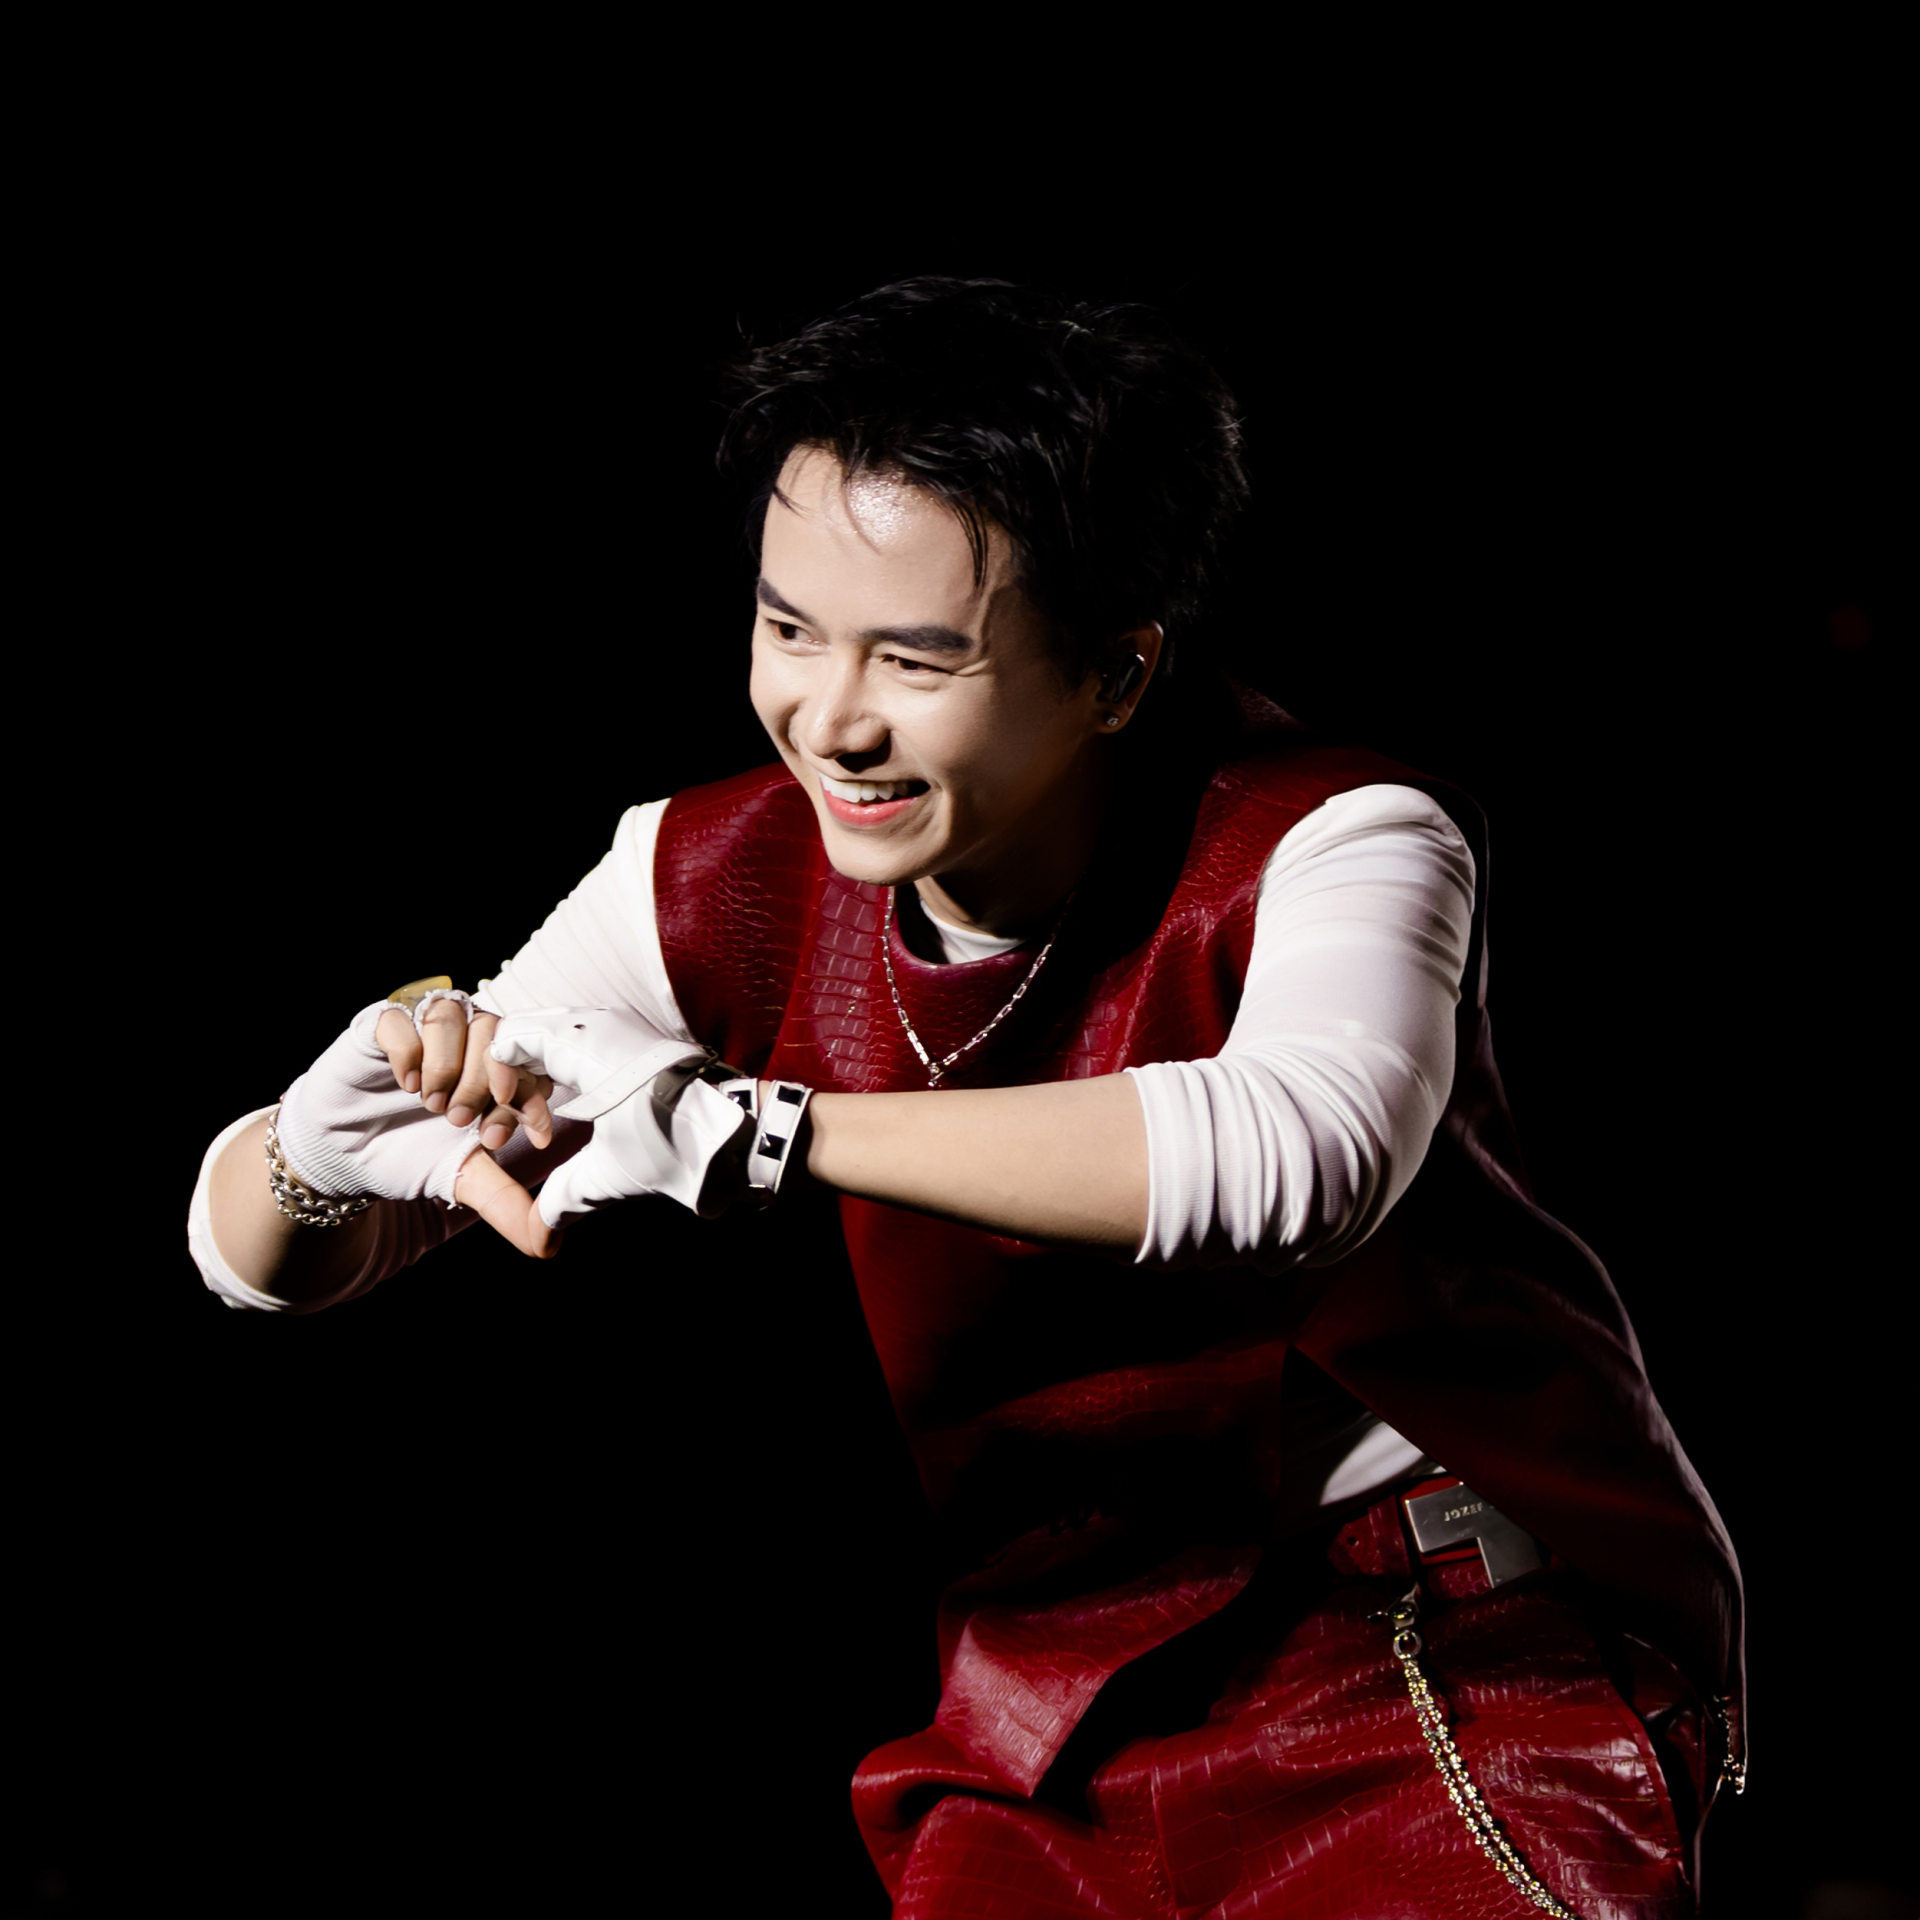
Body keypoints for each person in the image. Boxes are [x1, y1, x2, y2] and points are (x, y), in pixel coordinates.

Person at [187, 278, 1744, 1917]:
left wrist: (752, 1134)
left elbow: (1307, 1153)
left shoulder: (1344, 836)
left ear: (1117, 672)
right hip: (1054, 1687)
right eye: (789, 631)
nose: (831, 720)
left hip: (1425, 1652)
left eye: (916, 658)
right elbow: (256, 1260)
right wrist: (309, 1155)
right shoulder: (707, 874)